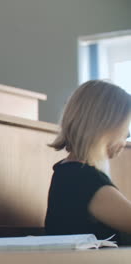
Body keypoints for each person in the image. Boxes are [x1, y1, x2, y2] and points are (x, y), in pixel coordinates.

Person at [45, 80, 131, 243]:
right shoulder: (82, 179)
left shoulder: (70, 172)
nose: (127, 135)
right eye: (125, 127)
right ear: (105, 126)